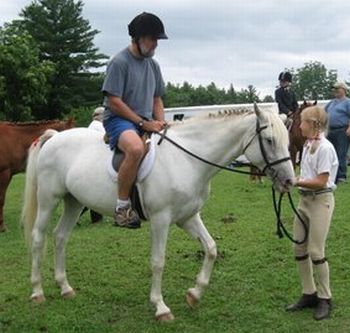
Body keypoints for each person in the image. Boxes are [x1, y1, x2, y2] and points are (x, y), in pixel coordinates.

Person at [101, 12, 168, 229]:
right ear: (137, 38)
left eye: (157, 39)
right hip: (118, 119)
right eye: (152, 39)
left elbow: (157, 98)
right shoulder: (119, 63)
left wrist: (162, 123)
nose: (156, 44)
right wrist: (142, 123)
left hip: (144, 119)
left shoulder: (153, 65)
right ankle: (122, 207)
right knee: (136, 149)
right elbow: (114, 102)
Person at [286, 106, 338, 321]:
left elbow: (321, 181)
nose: (299, 125)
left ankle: (325, 298)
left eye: (303, 121)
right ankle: (309, 293)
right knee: (299, 247)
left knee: (316, 251)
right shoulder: (308, 145)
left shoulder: (325, 148)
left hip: (320, 202)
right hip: (304, 201)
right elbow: (307, 174)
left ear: (314, 124)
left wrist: (296, 181)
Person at [325, 82, 350, 184]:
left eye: (337, 89)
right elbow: (324, 113)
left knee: (341, 153)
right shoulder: (331, 103)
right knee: (332, 153)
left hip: (342, 130)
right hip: (330, 130)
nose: (335, 91)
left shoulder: (347, 102)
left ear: (343, 90)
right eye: (334, 89)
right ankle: (333, 175)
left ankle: (341, 176)